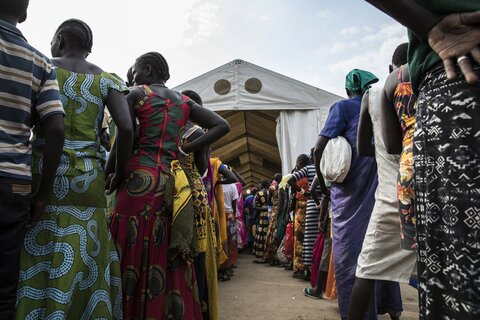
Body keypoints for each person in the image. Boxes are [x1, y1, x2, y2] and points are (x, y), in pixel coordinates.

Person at [365, 2, 480, 319]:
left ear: (392, 64)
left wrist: (428, 25)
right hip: (460, 76)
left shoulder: (388, 84)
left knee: (450, 265)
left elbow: (390, 144)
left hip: (452, 94)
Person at [15, 19, 133, 319]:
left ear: (59, 39)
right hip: (88, 176)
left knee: (37, 239)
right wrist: (117, 172)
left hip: (45, 169)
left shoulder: (44, 66)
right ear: (88, 48)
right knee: (86, 247)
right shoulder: (106, 80)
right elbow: (127, 129)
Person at [108, 51, 230, 319]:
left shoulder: (136, 93)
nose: (133, 76)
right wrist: (183, 147)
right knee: (164, 249)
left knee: (127, 245)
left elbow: (123, 136)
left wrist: (115, 173)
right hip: (170, 184)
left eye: (136, 70)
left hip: (137, 180)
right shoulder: (184, 101)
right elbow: (221, 125)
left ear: (149, 71)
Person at [0, 2, 65, 317]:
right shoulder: (39, 61)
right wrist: (41, 194)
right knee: (4, 282)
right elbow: (55, 128)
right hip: (12, 183)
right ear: (23, 14)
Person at [348, 44, 417, 320]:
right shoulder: (430, 81)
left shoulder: (373, 94)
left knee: (366, 269)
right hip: (433, 190)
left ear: (391, 69)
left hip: (392, 194)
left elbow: (364, 148)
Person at [314, 69, 379, 320]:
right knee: (374, 247)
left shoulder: (341, 107)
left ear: (347, 89)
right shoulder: (378, 107)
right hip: (374, 185)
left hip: (348, 192)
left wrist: (323, 186)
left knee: (348, 255)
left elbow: (319, 148)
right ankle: (387, 306)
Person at [180, 90, 219, 320]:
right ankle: (200, 309)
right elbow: (202, 168)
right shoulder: (197, 133)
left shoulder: (165, 129)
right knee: (198, 254)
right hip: (193, 192)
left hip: (169, 189)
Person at [289, 151, 322, 280]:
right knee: (322, 239)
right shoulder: (324, 166)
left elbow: (290, 180)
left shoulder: (308, 169)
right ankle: (321, 272)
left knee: (309, 238)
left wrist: (304, 192)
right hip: (326, 205)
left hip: (312, 205)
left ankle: (309, 269)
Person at [288, 154, 310, 278]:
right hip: (310, 208)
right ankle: (307, 268)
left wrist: (302, 193)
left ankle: (299, 268)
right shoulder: (311, 174)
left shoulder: (300, 176)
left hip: (300, 209)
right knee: (308, 239)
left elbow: (293, 194)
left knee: (299, 239)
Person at [219, 182, 240, 280]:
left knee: (221, 242)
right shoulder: (233, 186)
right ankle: (228, 267)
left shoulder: (216, 183)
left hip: (219, 214)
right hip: (229, 214)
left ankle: (221, 267)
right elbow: (234, 202)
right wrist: (234, 214)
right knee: (231, 242)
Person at [263, 173, 283, 265]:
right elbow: (270, 201)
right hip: (277, 211)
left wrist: (270, 211)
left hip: (277, 211)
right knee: (274, 232)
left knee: (274, 232)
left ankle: (275, 256)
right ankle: (273, 257)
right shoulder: (277, 188)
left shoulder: (281, 187)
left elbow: (269, 202)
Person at [252, 179, 271, 263]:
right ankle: (269, 254)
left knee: (262, 233)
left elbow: (255, 207)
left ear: (262, 185)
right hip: (271, 215)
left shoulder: (258, 194)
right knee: (269, 233)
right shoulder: (272, 192)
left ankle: (261, 253)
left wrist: (263, 208)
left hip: (262, 216)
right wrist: (269, 208)